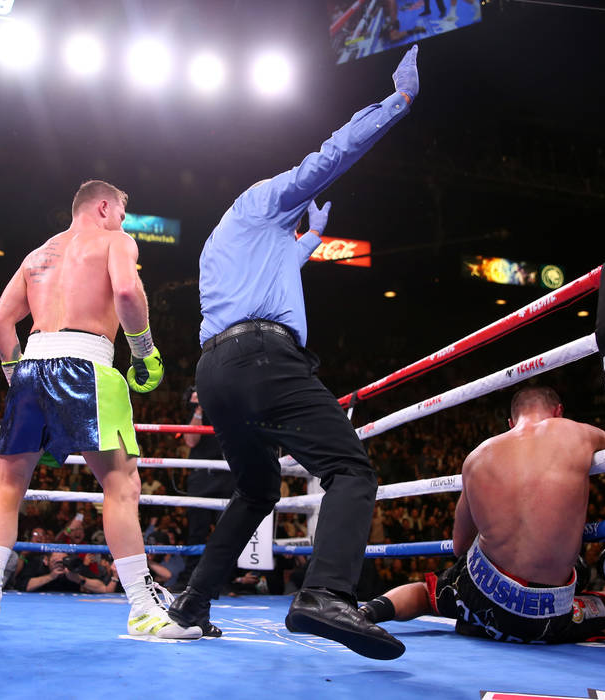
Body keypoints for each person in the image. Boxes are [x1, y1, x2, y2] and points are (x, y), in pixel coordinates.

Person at [168, 47, 421, 660]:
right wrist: (397, 104)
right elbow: (327, 158)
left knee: (257, 490)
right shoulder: (261, 200)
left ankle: (191, 605)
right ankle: (326, 594)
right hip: (262, 360)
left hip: (217, 371)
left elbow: (275, 277)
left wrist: (309, 239)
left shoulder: (233, 243)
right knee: (351, 470)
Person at [0, 179, 200, 640]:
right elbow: (127, 294)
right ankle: (143, 610)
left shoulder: (36, 256)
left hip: (30, 368)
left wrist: (18, 381)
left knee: (7, 489)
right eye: (122, 214)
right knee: (121, 484)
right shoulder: (114, 241)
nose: (125, 224)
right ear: (104, 207)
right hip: (86, 366)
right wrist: (144, 351)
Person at [360, 386, 605, 644]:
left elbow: (460, 546)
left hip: (480, 596)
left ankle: (364, 614)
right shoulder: (580, 434)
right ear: (559, 413)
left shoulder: (477, 456)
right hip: (542, 617)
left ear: (511, 423)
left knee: (426, 592)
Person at [180, 386, 235, 589]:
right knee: (196, 531)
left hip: (227, 474)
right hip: (202, 477)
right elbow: (191, 441)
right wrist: (199, 410)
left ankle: (224, 581)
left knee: (227, 531)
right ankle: (189, 580)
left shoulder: (227, 409)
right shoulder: (194, 415)